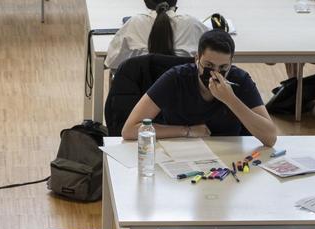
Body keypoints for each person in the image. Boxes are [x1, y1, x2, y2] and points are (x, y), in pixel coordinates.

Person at [121, 30, 278, 145]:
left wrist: (231, 100)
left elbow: (270, 138)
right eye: (209, 65)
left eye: (223, 67)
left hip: (227, 159)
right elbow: (130, 129)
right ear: (197, 58)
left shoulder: (240, 80)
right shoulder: (175, 78)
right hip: (180, 154)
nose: (215, 73)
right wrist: (187, 131)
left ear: (231, 62)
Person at [104, 0, 208, 71]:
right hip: (185, 100)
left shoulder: (134, 24)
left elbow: (112, 62)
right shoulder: (192, 25)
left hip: (140, 101)